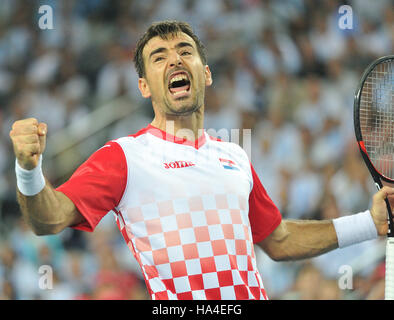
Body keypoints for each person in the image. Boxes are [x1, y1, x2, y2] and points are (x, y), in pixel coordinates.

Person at [9, 20, 394, 300]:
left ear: (205, 73)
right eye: (158, 57)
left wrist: (368, 223)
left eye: (185, 52)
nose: (174, 60)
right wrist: (29, 170)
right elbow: (49, 219)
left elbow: (278, 239)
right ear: (144, 86)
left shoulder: (234, 156)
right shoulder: (124, 157)